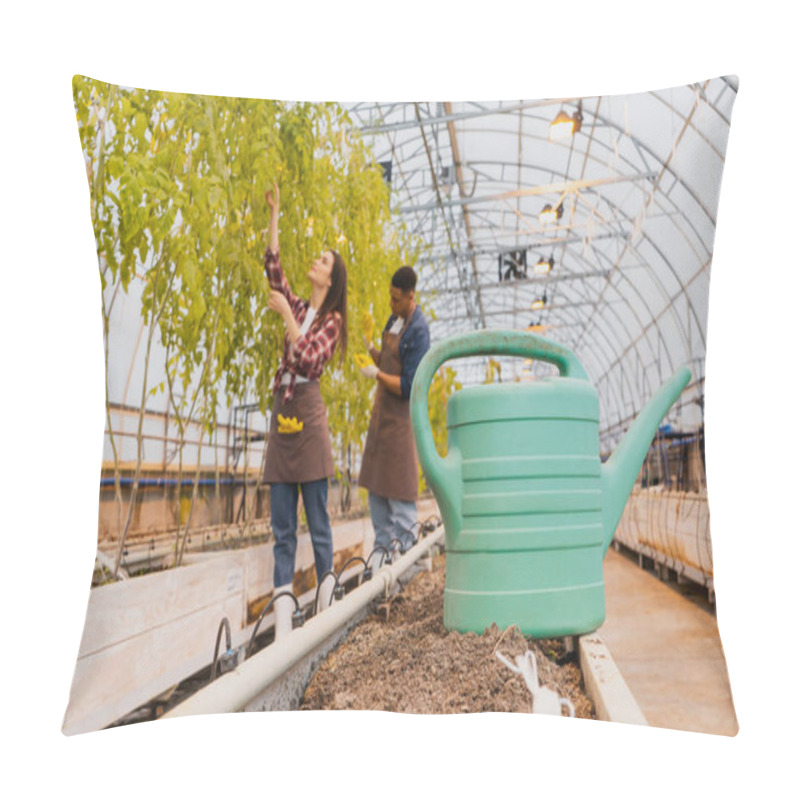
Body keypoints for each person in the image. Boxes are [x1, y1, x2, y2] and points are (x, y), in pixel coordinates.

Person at [261, 182, 348, 634]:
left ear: (331, 280)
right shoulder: (301, 307)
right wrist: (276, 214)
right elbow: (274, 272)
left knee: (317, 521)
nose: (315, 262)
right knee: (282, 525)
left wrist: (290, 321)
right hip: (283, 415)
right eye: (316, 258)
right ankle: (282, 622)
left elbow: (309, 360)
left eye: (323, 261)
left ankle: (326, 612)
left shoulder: (330, 322)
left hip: (309, 423)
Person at [358, 266, 430, 561]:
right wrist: (370, 348)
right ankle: (381, 561)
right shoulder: (396, 319)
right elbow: (389, 360)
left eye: (396, 299)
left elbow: (410, 385)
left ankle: (407, 568)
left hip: (400, 425)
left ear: (411, 296)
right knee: (377, 497)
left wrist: (375, 374)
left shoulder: (418, 330)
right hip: (380, 423)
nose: (391, 303)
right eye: (390, 297)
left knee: (400, 506)